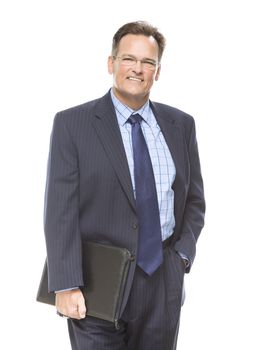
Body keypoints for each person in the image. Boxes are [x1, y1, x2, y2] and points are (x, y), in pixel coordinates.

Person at [44, 21, 205, 350]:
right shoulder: (73, 124)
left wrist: (182, 258)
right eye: (129, 59)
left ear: (157, 71)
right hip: (95, 284)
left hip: (162, 280)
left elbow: (193, 201)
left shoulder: (181, 125)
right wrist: (65, 284)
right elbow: (59, 209)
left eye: (148, 62)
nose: (138, 69)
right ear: (111, 63)